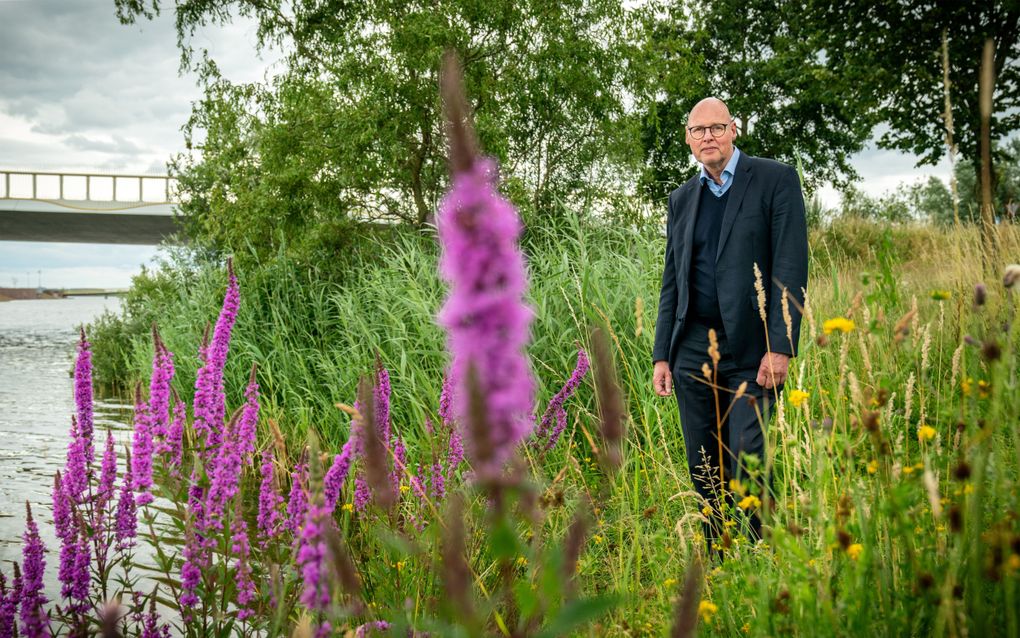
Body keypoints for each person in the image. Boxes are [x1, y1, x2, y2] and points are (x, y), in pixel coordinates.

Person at [652, 97, 808, 553]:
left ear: (734, 130)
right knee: (703, 462)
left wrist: (780, 345)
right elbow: (671, 282)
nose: (708, 138)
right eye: (698, 131)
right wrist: (663, 354)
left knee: (747, 454)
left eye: (717, 128)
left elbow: (790, 266)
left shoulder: (776, 180)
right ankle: (718, 552)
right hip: (693, 350)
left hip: (753, 348)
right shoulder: (682, 199)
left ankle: (764, 550)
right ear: (688, 138)